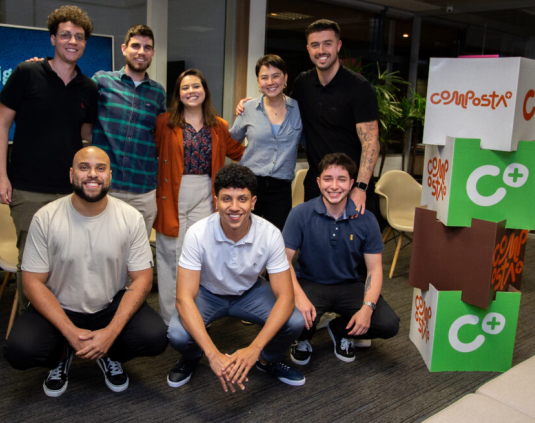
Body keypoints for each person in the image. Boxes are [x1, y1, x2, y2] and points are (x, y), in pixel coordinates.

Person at [3, 147, 167, 397]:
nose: (93, 174)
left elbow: (143, 279)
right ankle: (62, 355)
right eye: (84, 167)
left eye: (100, 168)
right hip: (60, 306)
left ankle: (107, 351)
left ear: (110, 175)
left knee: (155, 336)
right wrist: (70, 333)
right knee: (19, 351)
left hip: (108, 306)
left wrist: (110, 333)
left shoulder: (130, 217)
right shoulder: (45, 218)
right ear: (71, 175)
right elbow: (31, 284)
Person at [0, 5, 99, 314]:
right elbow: (1, 124)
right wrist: (2, 175)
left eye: (79, 37)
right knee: (33, 267)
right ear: (53, 38)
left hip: (71, 192)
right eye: (65, 35)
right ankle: (36, 331)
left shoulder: (88, 88)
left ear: (84, 43)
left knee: (71, 263)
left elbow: (89, 136)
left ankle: (68, 327)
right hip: (29, 189)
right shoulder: (27, 73)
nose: (72, 41)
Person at [166, 164, 305, 391]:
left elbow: (286, 298)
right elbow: (183, 298)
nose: (234, 207)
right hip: (208, 293)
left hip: (250, 292)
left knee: (294, 320)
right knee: (178, 334)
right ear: (216, 200)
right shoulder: (197, 234)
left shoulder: (270, 234)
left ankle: (267, 361)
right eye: (226, 199)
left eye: (242, 199)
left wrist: (255, 348)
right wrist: (213, 355)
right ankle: (193, 356)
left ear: (253, 202)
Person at [237, 19, 380, 216]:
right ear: (308, 48)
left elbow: (371, 142)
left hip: (350, 185)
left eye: (327, 44)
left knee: (352, 245)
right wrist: (251, 105)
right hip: (316, 184)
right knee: (314, 244)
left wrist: (361, 187)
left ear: (338, 46)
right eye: (315, 45)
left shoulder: (359, 87)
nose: (321, 50)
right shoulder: (303, 84)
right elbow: (280, 108)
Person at [282, 153, 399, 365]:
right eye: (328, 179)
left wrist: (367, 308)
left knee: (388, 324)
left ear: (352, 183)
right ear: (318, 182)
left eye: (342, 179)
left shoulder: (366, 219)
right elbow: (283, 262)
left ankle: (339, 329)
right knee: (290, 322)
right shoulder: (300, 214)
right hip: (310, 283)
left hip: (350, 285)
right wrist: (298, 297)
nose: (334, 186)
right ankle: (303, 338)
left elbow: (374, 270)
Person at [154, 69, 245, 325]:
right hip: (171, 194)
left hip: (205, 194)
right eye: (185, 88)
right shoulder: (164, 123)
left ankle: (194, 314)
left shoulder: (219, 125)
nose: (191, 91)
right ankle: (170, 319)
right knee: (170, 256)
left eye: (196, 86)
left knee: (198, 257)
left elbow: (241, 153)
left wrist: (253, 114)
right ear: (178, 94)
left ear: (205, 91)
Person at [81, 24, 166, 236]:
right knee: (100, 253)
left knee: (136, 257)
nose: (141, 52)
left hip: (143, 189)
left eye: (147, 47)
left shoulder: (158, 93)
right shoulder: (102, 81)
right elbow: (84, 127)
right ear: (124, 49)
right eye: (135, 45)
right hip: (108, 187)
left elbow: (159, 138)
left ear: (153, 53)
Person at [229, 54, 302, 231]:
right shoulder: (248, 108)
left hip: (281, 189)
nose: (270, 82)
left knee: (276, 238)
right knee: (244, 234)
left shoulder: (299, 110)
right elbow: (230, 142)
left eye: (276, 76)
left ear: (285, 78)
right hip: (249, 184)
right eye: (264, 77)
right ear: (258, 81)